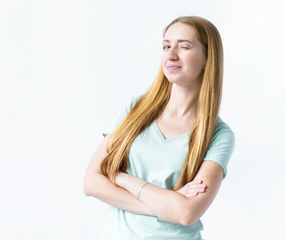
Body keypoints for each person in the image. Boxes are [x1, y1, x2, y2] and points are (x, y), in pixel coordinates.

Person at [83, 16, 235, 240]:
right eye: (166, 46)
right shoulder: (135, 109)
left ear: (207, 58)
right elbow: (91, 182)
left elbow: (186, 213)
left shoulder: (219, 135)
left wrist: (124, 179)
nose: (171, 54)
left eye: (184, 46)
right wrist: (167, 204)